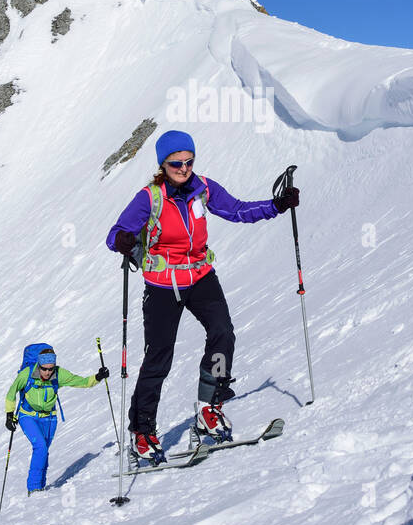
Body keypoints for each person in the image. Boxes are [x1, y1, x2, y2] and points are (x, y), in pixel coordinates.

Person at [105, 129, 299, 465]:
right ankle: (142, 432)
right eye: (176, 163)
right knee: (159, 358)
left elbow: (236, 210)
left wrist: (276, 206)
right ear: (162, 165)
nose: (183, 167)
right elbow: (114, 235)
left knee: (223, 332)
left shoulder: (203, 188)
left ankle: (210, 405)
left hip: (200, 278)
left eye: (188, 161)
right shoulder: (150, 197)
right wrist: (123, 241)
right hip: (163, 287)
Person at [5, 348, 109, 494]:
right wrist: (9, 415)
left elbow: (82, 382)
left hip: (49, 418)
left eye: (50, 369)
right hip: (27, 415)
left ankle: (41, 486)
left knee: (44, 451)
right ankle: (33, 488)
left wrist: (98, 377)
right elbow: (11, 393)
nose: (47, 372)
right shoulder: (26, 374)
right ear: (39, 366)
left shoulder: (59, 374)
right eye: (44, 369)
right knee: (40, 447)